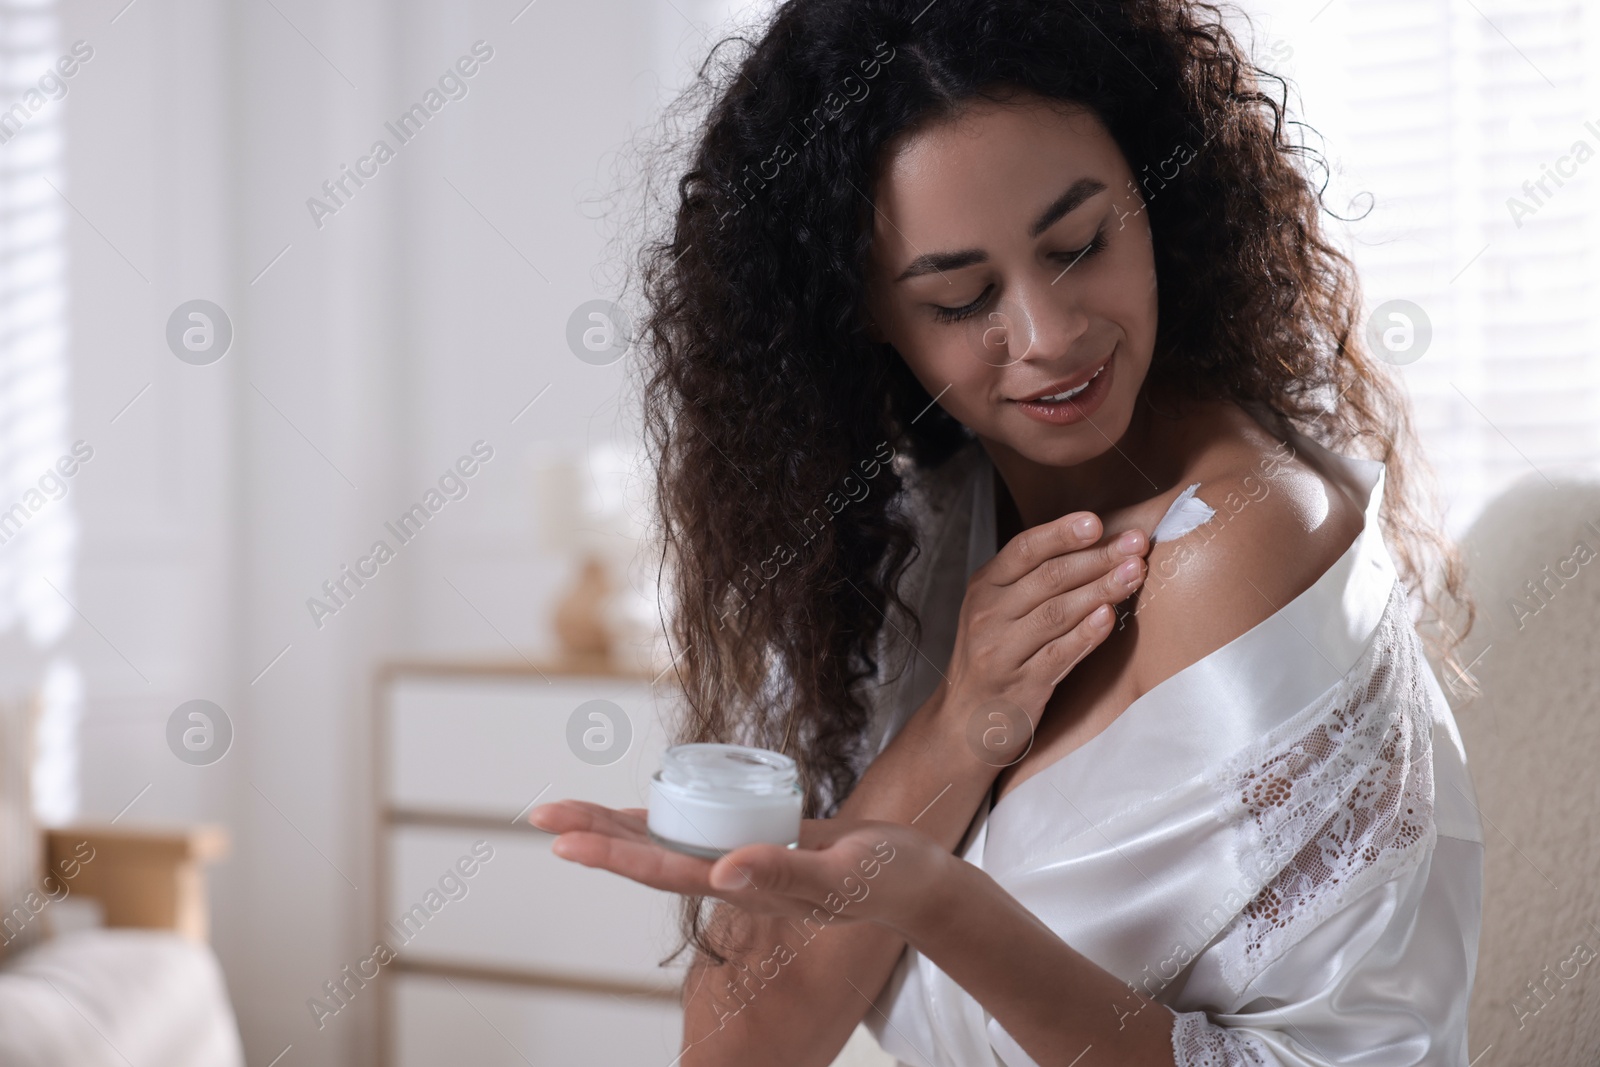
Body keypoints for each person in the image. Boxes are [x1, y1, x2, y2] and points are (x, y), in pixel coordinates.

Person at [530, 1, 1484, 1063]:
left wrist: (937, 903)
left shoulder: (1235, 544)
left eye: (1079, 243)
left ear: (1155, 192)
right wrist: (956, 727)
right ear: (865, 320)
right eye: (959, 296)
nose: (1050, 334)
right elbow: (740, 1052)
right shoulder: (929, 533)